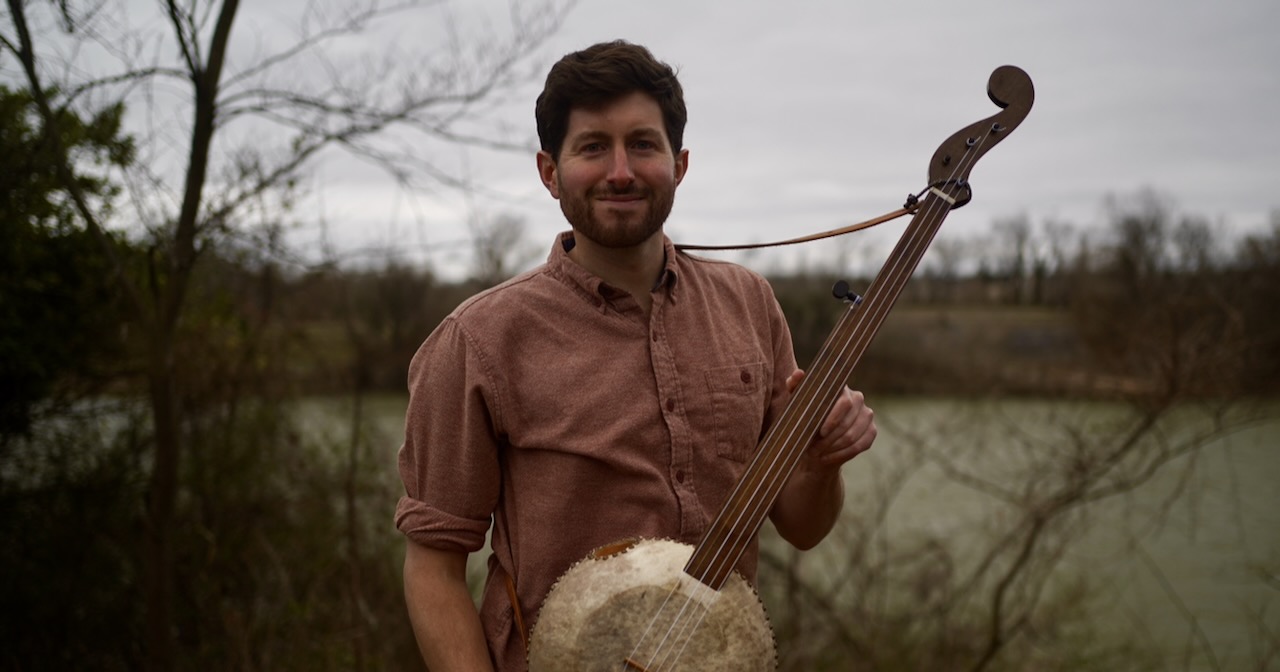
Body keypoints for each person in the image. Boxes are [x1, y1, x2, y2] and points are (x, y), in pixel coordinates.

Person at [395, 40, 877, 671]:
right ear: (550, 171)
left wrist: (820, 460)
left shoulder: (749, 304)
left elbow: (802, 526)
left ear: (678, 164)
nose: (621, 171)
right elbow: (434, 568)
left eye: (643, 145)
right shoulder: (480, 340)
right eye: (593, 146)